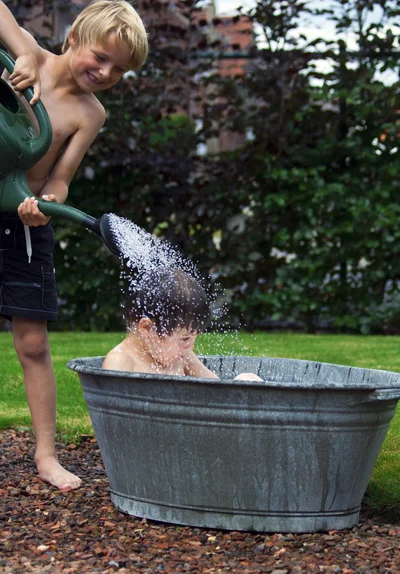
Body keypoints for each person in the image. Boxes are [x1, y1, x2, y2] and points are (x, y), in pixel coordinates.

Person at [0, 0, 148, 491]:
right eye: (101, 57)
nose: (106, 72)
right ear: (76, 36)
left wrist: (45, 202)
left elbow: (60, 180)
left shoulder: (91, 113)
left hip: (22, 223)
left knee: (34, 343)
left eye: (119, 70)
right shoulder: (30, 61)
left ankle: (46, 456)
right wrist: (21, 49)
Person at [103, 268, 263, 382]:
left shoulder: (181, 357)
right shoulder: (121, 362)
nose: (190, 348)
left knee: (248, 379)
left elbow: (218, 389)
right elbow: (112, 418)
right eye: (185, 339)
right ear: (147, 327)